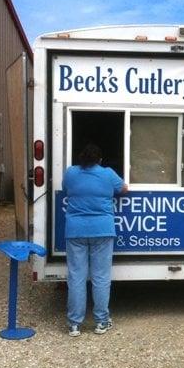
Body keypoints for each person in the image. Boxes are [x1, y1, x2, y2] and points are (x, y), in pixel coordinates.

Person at [62, 144, 127, 337]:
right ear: (100, 160)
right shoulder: (108, 174)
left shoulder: (71, 173)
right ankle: (101, 322)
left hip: (75, 231)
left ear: (80, 158)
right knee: (100, 277)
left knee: (76, 277)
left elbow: (66, 190)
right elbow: (124, 189)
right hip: (102, 230)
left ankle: (74, 324)